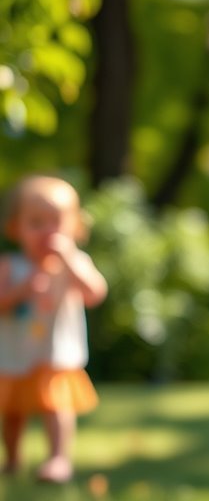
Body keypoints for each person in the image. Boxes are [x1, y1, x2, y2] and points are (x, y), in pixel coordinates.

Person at [0, 176, 107, 483]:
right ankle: (12, 458)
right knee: (13, 411)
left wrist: (69, 258)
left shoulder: (74, 263)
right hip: (15, 355)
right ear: (15, 228)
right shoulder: (10, 266)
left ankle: (58, 458)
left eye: (56, 222)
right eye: (35, 223)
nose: (48, 231)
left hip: (55, 353)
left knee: (57, 405)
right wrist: (21, 290)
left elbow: (95, 293)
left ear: (75, 227)